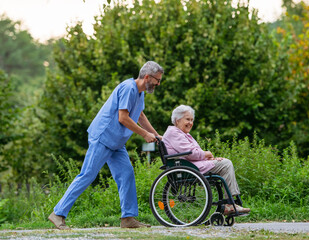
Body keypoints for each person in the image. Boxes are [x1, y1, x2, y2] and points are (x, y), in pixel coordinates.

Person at [48, 61, 164, 229]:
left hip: (116, 142)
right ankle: (58, 214)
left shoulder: (140, 93)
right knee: (87, 175)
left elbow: (140, 116)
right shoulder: (128, 88)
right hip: (103, 137)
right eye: (157, 80)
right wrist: (144, 134)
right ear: (147, 77)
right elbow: (122, 118)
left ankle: (128, 218)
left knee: (126, 174)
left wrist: (155, 134)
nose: (158, 84)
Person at [162, 105, 251, 215]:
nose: (190, 123)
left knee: (223, 163)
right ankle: (229, 203)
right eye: (187, 119)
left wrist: (210, 159)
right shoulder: (174, 133)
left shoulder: (183, 134)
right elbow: (191, 153)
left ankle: (230, 202)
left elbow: (192, 152)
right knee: (226, 164)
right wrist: (206, 154)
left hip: (190, 164)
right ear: (177, 120)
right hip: (186, 167)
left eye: (192, 120)